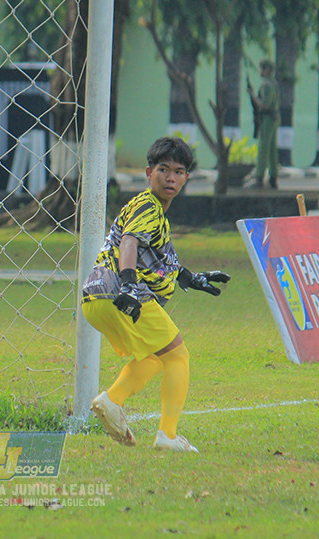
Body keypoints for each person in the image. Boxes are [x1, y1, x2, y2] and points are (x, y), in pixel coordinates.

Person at [81, 136, 231, 452]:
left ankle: (112, 401)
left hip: (95, 299)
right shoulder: (147, 206)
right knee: (178, 356)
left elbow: (160, 260)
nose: (170, 178)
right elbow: (130, 244)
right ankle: (168, 435)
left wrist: (192, 278)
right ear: (149, 172)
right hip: (118, 292)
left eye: (178, 172)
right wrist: (128, 285)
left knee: (152, 358)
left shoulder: (154, 213)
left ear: (186, 178)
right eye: (163, 170)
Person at [247, 59, 280, 188]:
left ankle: (259, 178)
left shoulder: (266, 85)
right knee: (272, 150)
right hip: (274, 118)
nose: (261, 71)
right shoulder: (273, 83)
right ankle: (273, 178)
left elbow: (264, 105)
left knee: (263, 148)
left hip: (268, 118)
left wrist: (253, 96)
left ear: (268, 70)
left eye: (263, 68)